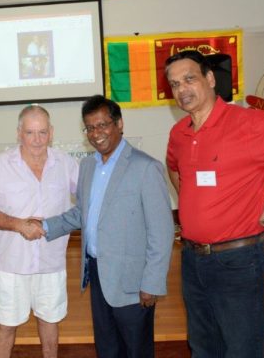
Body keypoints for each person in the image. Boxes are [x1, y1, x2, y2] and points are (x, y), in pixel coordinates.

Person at [165, 50, 264, 357]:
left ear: (209, 79)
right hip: (192, 259)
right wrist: (193, 202)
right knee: (204, 347)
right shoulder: (179, 133)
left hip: (237, 259)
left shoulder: (248, 123)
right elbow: (174, 165)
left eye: (189, 78)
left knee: (242, 349)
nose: (182, 89)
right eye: (175, 83)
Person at [44, 95, 175, 358]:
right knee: (107, 349)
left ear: (119, 124)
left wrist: (152, 282)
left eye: (102, 125)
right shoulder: (88, 166)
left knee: (136, 350)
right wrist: (43, 226)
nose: (96, 133)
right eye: (90, 128)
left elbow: (162, 232)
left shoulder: (145, 167)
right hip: (98, 274)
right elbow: (82, 213)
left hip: (134, 283)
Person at [0, 104, 78, 358]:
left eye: (42, 132)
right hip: (12, 265)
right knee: (6, 325)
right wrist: (18, 225)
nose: (37, 140)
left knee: (50, 322)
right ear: (19, 133)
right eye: (30, 133)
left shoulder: (66, 164)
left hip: (51, 263)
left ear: (52, 132)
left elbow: (90, 200)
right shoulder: (2, 165)